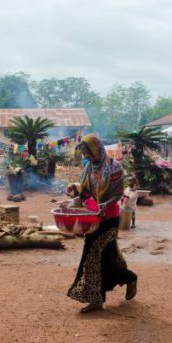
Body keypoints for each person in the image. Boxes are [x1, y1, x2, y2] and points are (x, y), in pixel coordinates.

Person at [67, 134, 137, 313]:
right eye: (83, 154)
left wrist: (105, 204)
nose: (86, 157)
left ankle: (96, 299)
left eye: (87, 153)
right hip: (93, 217)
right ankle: (129, 279)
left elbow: (118, 194)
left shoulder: (115, 168)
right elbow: (85, 193)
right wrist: (75, 198)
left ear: (96, 149)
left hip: (109, 218)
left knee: (91, 255)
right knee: (109, 257)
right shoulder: (89, 168)